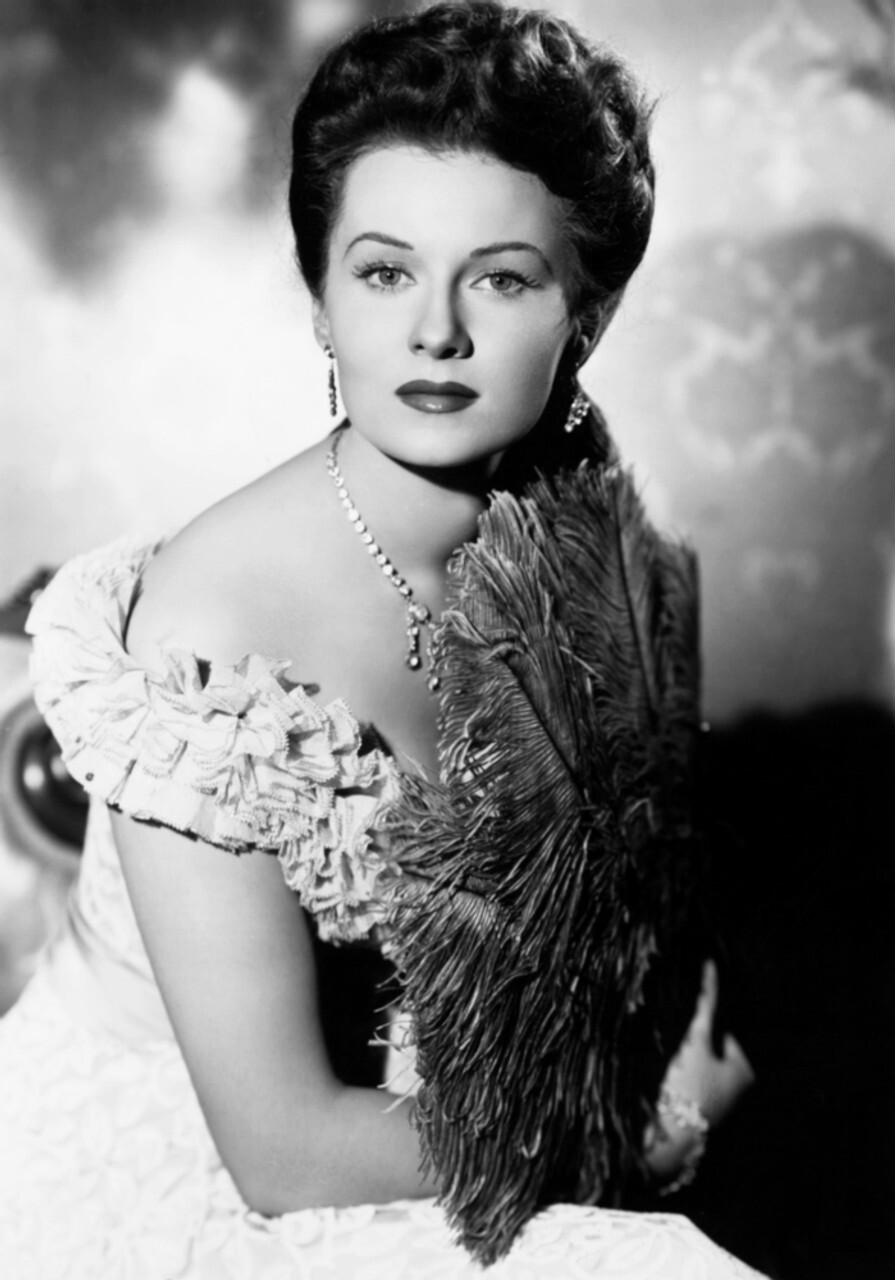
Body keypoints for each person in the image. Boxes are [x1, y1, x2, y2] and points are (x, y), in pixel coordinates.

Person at [0, 5, 760, 1276]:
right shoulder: (214, 632)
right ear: (321, 300)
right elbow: (283, 1153)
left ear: (589, 313)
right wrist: (641, 1124)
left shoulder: (584, 537)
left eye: (502, 278)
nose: (436, 332)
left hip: (425, 1124)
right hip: (177, 1177)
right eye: (384, 271)